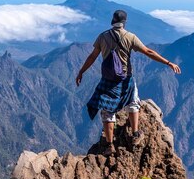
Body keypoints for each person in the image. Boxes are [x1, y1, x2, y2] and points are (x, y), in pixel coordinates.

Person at [76, 9, 181, 156]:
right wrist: (168, 63)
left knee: (107, 111)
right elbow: (148, 52)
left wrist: (81, 71)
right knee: (133, 103)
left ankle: (109, 145)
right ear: (124, 23)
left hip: (108, 80)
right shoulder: (130, 37)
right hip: (126, 78)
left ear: (113, 21)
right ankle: (135, 134)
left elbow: (92, 56)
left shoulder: (103, 37)